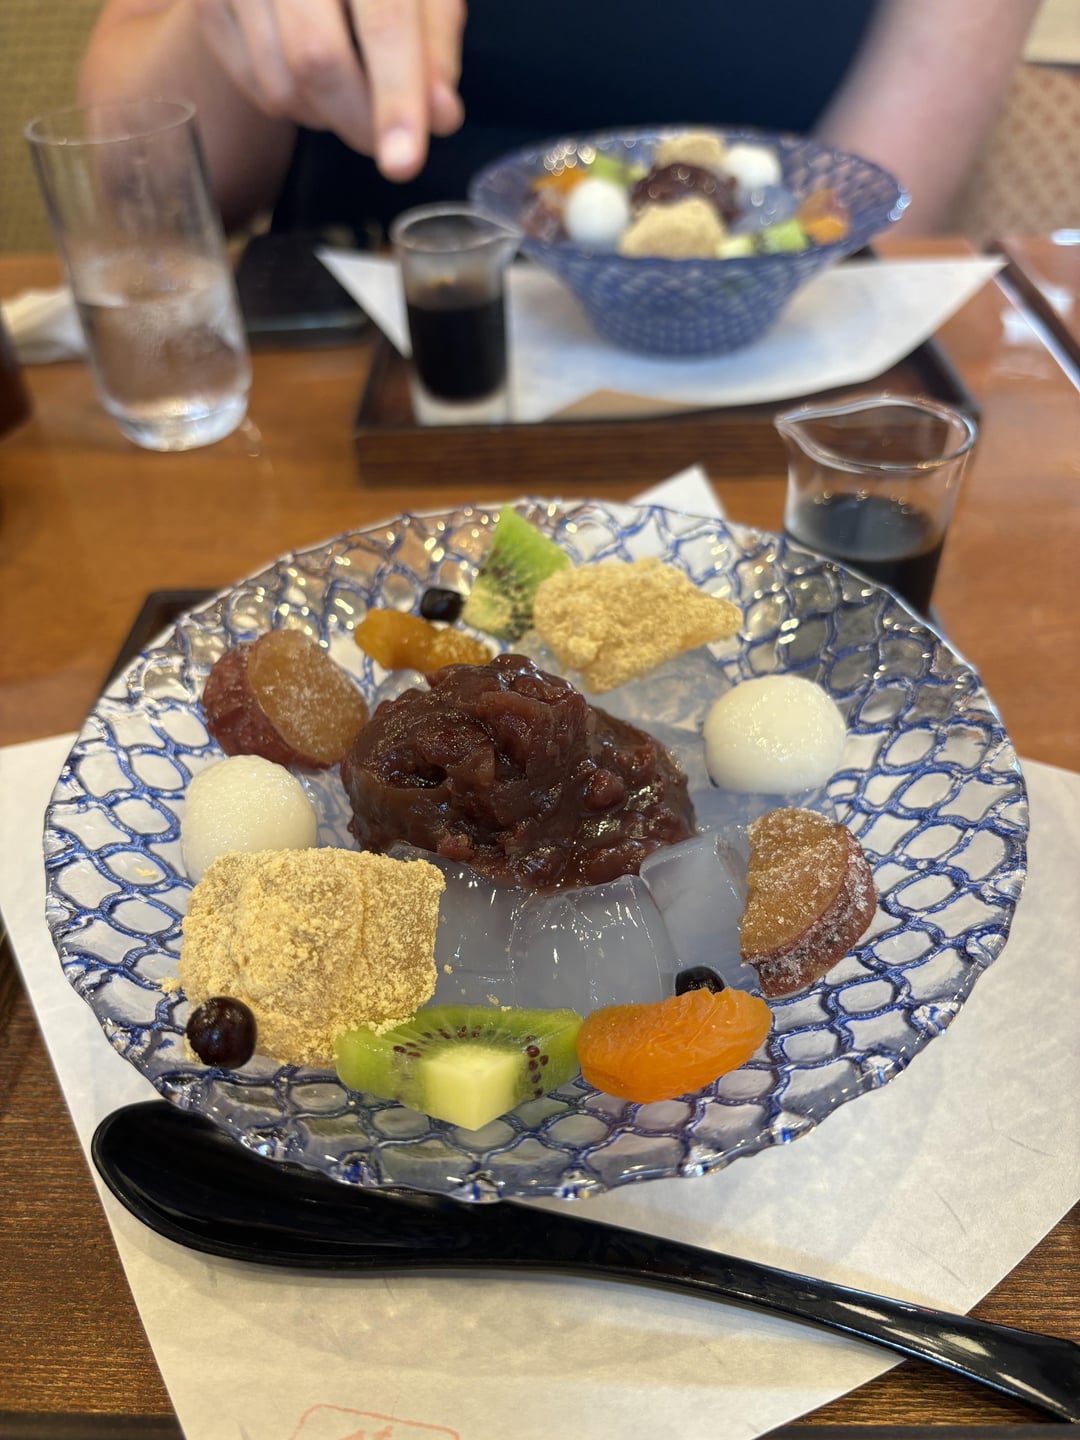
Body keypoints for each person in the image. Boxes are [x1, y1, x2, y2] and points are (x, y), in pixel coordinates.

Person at [79, 0, 1041, 237]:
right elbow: (145, 191)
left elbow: (854, 213)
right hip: (352, 357)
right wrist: (234, 26)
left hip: (762, 363)